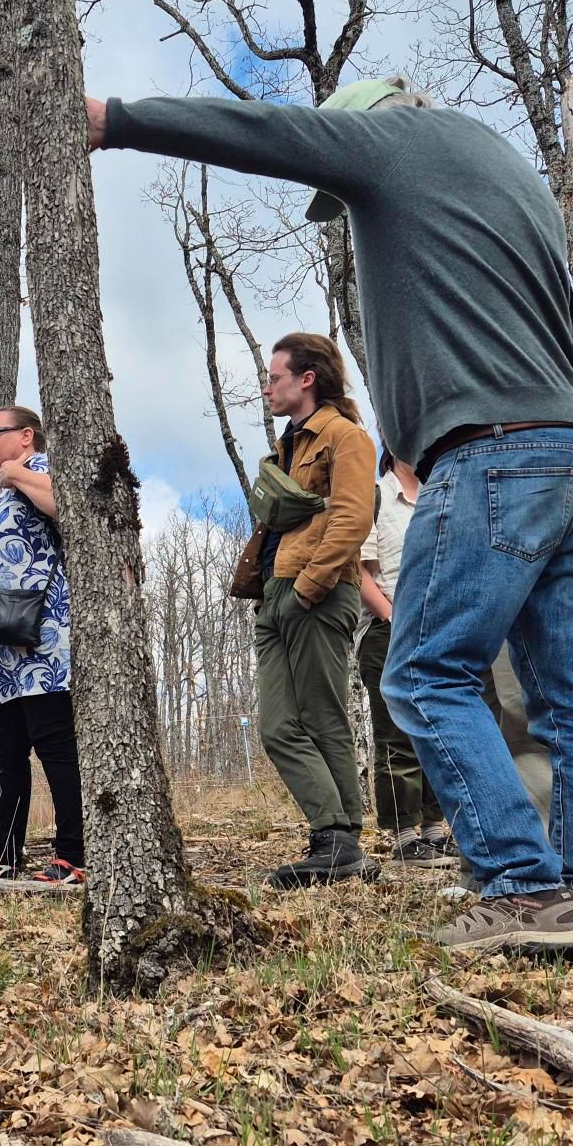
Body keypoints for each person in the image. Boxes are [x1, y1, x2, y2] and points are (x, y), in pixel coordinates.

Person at [88, 75, 573, 956]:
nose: (344, 206)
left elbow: (261, 133)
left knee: (423, 674)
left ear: (360, 128)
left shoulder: (396, 142)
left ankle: (526, 890)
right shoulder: (509, 171)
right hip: (569, 452)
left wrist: (118, 120)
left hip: (490, 453)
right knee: (568, 689)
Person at [228, 333, 378, 888]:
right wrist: (273, 592)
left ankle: (338, 841)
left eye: (275, 378)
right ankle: (335, 834)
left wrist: (310, 587)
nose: (267, 388)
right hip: (273, 594)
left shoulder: (345, 437)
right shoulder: (286, 447)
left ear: (307, 378)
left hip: (316, 592)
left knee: (322, 716)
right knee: (276, 726)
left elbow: (353, 518)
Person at [0, 406, 84, 884]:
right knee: (8, 754)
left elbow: (66, 506)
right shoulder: (6, 491)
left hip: (42, 644)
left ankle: (73, 854)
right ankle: (4, 855)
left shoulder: (40, 470)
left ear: (26, 435)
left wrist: (15, 472)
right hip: (1, 653)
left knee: (55, 748)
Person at [356, 451, 454, 866]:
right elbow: (357, 568)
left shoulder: (442, 495)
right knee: (397, 733)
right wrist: (392, 616)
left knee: (439, 729)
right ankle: (403, 835)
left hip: (440, 629)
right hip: (387, 630)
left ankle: (434, 829)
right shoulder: (375, 496)